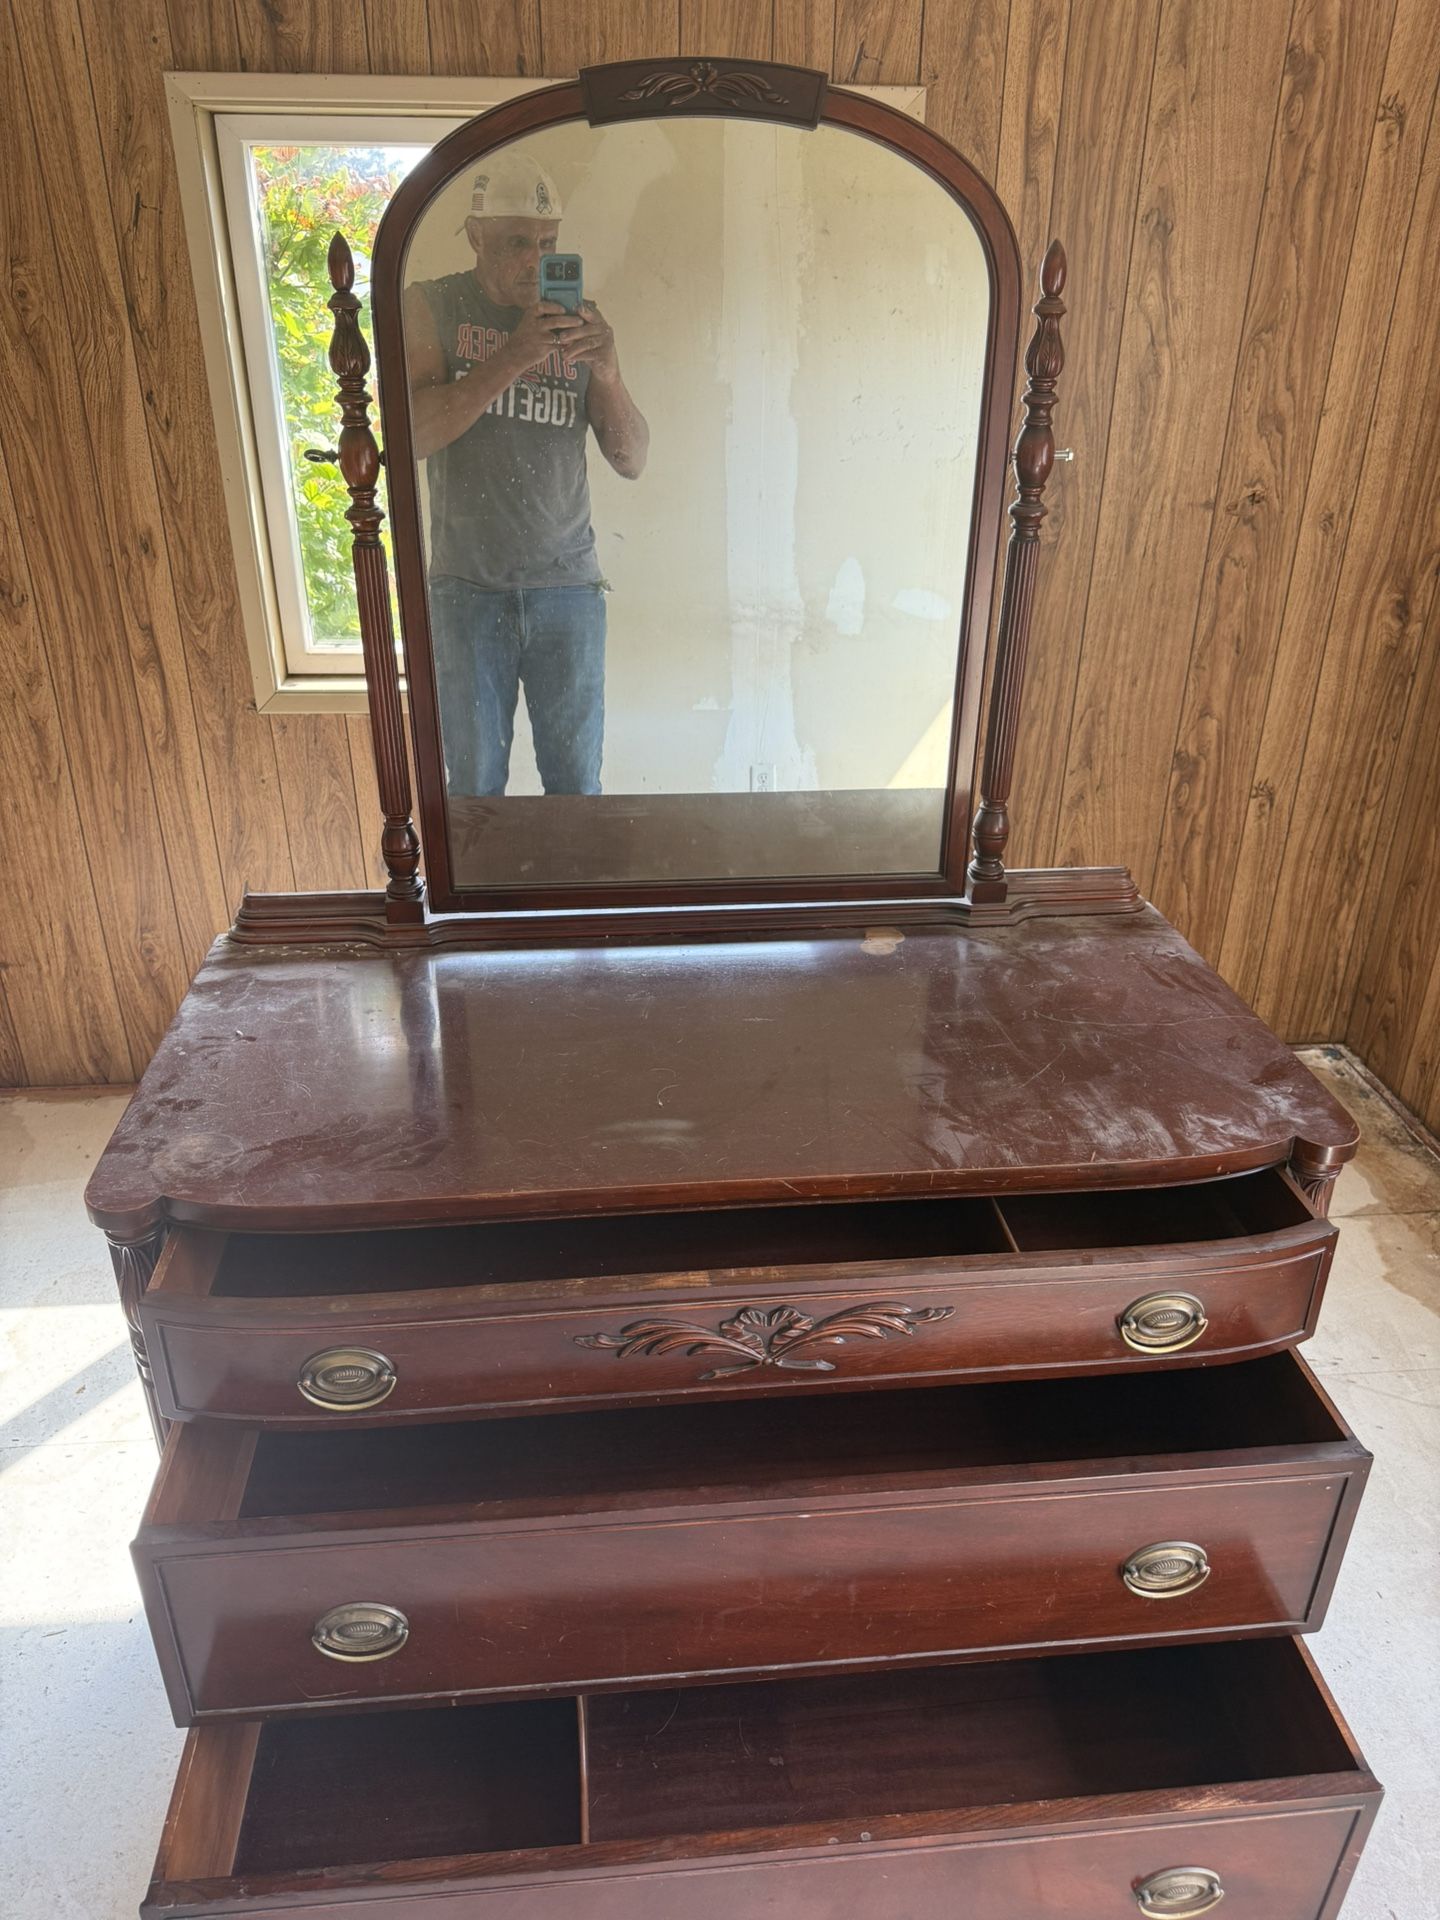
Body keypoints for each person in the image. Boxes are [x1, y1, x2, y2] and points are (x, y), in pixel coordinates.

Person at [404, 153, 649, 796]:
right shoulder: (432, 305)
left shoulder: (577, 319)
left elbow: (631, 460)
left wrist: (611, 374)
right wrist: (513, 356)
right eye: (517, 242)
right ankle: (485, 901)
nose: (536, 260)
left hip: (568, 590)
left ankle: (569, 902)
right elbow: (413, 435)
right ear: (476, 236)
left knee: (576, 789)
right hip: (467, 591)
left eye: (548, 243)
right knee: (475, 791)